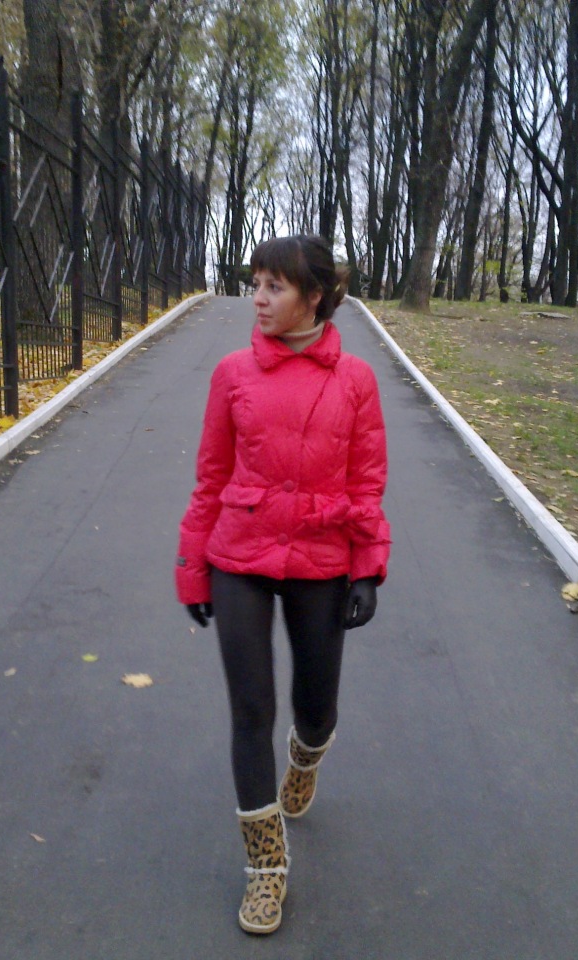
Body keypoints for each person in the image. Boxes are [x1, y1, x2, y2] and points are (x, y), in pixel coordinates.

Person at [175, 234, 391, 934]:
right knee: (250, 711)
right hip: (239, 553)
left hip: (323, 556)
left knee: (315, 705)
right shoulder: (232, 374)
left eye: (274, 286)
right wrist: (194, 567)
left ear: (315, 297)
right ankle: (265, 868)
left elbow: (367, 480)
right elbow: (211, 476)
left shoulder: (356, 380)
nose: (258, 299)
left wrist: (367, 565)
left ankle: (307, 753)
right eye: (255, 284)